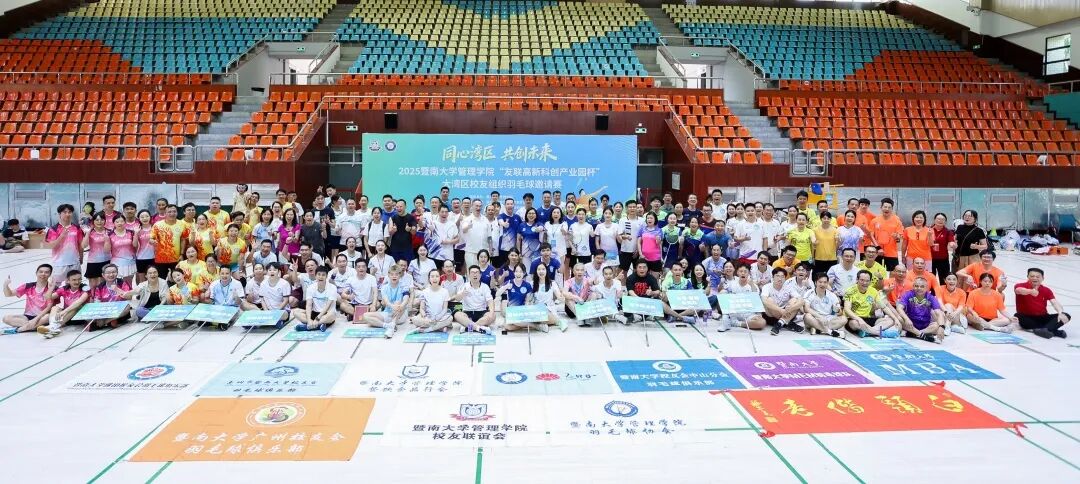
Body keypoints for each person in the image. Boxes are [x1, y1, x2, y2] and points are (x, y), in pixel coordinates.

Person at [1013, 268, 1070, 339]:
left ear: (1042, 278)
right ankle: (1053, 330)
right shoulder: (1020, 285)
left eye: (1037, 276)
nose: (1035, 278)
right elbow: (1019, 290)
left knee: (1066, 316)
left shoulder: (1046, 290)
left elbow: (1054, 302)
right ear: (1027, 277)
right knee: (1018, 316)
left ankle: (1044, 330)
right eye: (1032, 276)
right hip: (1026, 317)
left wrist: (1060, 312)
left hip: (1043, 317)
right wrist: (1030, 291)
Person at [844, 270, 900, 338]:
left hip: (868, 318)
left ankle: (867, 332)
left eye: (867, 281)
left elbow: (884, 307)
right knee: (854, 323)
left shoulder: (873, 291)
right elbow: (847, 309)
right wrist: (859, 319)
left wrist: (895, 319)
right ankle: (880, 333)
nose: (864, 283)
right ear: (857, 280)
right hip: (854, 319)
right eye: (862, 280)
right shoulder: (850, 291)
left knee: (891, 320)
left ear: (870, 281)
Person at [2, 264, 54, 334]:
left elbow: (49, 307)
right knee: (6, 318)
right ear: (36, 273)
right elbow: (9, 294)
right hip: (27, 317)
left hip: (42, 317)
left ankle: (19, 329)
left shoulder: (51, 288)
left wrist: (36, 319)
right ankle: (33, 327)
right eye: (41, 272)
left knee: (48, 317)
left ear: (50, 275)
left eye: (46, 272)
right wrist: (5, 285)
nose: (43, 274)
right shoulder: (28, 286)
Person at [363, 265, 412, 337]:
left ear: (399, 275)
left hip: (400, 314)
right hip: (388, 313)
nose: (394, 276)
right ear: (388, 275)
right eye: (392, 274)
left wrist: (400, 306)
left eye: (396, 274)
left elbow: (406, 299)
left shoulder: (404, 286)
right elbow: (387, 302)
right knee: (365, 316)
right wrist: (392, 307)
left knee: (398, 303)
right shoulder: (384, 287)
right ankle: (388, 326)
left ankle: (393, 324)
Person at [38, 270, 90, 338]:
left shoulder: (85, 288)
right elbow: (48, 298)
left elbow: (80, 301)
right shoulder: (64, 289)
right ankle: (53, 327)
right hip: (67, 318)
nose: (77, 282)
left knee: (77, 306)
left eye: (79, 279)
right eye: (74, 280)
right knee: (55, 308)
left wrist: (63, 312)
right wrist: (51, 288)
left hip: (79, 318)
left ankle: (53, 327)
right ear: (68, 281)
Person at [895, 276, 946, 343]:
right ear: (913, 286)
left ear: (926, 288)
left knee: (936, 325)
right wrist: (907, 319)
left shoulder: (931, 297)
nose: (919, 288)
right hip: (910, 324)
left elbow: (939, 313)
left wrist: (941, 327)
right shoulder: (908, 294)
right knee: (899, 318)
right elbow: (899, 308)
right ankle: (922, 335)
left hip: (925, 325)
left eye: (922, 286)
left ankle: (913, 334)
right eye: (916, 286)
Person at [719, 264, 767, 332]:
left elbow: (756, 301)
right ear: (737, 273)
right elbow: (722, 295)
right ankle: (726, 319)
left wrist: (752, 285)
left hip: (749, 314)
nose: (743, 273)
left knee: (762, 323)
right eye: (741, 271)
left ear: (749, 273)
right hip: (735, 313)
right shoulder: (732, 284)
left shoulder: (753, 285)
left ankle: (737, 324)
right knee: (722, 292)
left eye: (745, 271)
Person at [291, 266, 338, 332]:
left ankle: (308, 326)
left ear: (326, 276)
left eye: (323, 275)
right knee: (296, 312)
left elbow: (328, 306)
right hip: (314, 313)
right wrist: (309, 319)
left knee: (332, 315)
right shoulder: (310, 288)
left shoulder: (332, 288)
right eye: (319, 274)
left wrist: (318, 318)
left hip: (326, 313)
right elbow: (309, 305)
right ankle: (318, 325)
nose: (321, 277)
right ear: (315, 276)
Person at [452, 265, 497, 334]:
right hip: (467, 312)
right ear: (469, 275)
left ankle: (468, 327)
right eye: (472, 272)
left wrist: (491, 312)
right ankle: (478, 327)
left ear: (480, 275)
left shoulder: (485, 287)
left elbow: (490, 301)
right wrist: (462, 294)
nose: (475, 275)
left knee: (493, 315)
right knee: (457, 315)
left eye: (477, 272)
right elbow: (457, 299)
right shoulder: (464, 286)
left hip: (482, 312)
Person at [761, 267, 804, 335]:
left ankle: (780, 323)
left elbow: (801, 301)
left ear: (785, 278)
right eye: (777, 276)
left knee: (795, 300)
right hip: (771, 315)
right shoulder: (767, 287)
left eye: (782, 276)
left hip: (786, 312)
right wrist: (781, 310)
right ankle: (788, 323)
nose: (780, 279)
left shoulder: (789, 287)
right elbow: (764, 301)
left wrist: (791, 309)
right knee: (769, 300)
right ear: (773, 277)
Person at [149, 204, 189, 277]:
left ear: (177, 212)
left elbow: (183, 240)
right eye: (169, 212)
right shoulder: (157, 225)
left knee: (176, 280)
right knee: (162, 280)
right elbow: (151, 238)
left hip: (176, 259)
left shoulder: (182, 224)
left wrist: (182, 254)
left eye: (174, 211)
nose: (172, 214)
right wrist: (152, 241)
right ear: (165, 213)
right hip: (160, 259)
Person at [802, 272, 846, 338]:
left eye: (825, 282)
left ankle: (818, 330)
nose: (822, 284)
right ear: (815, 282)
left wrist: (837, 310)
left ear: (827, 283)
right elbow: (806, 309)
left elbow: (840, 313)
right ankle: (829, 331)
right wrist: (820, 317)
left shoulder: (832, 295)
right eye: (820, 282)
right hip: (815, 317)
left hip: (828, 319)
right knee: (807, 316)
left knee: (844, 319)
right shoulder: (809, 293)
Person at [89, 264, 132, 329]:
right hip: (106, 310)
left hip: (119, 310)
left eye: (114, 272)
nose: (111, 275)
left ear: (117, 273)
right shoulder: (100, 287)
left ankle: (106, 322)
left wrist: (117, 289)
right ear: (103, 275)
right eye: (108, 273)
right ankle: (110, 321)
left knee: (127, 306)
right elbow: (97, 302)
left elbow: (129, 297)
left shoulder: (122, 283)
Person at [411, 269, 453, 334]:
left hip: (441, 317)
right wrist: (425, 317)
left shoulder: (445, 291)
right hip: (428, 318)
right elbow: (422, 308)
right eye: (432, 276)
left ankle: (427, 329)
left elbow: (445, 309)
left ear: (440, 278)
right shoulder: (424, 292)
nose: (434, 278)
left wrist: (437, 318)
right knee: (414, 319)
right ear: (429, 279)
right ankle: (439, 327)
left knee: (450, 318)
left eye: (437, 276)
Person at [204, 266, 244, 330]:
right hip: (218, 309)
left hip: (232, 309)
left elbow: (240, 303)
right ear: (219, 274)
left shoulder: (237, 284)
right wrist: (206, 298)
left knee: (232, 315)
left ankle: (217, 322)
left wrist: (236, 297)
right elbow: (211, 302)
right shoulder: (214, 284)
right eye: (222, 273)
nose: (224, 276)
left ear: (231, 273)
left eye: (227, 273)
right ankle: (218, 322)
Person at [869, 198, 903, 271]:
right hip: (877, 252)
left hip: (892, 253)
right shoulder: (874, 220)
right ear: (881, 207)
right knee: (876, 272)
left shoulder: (897, 221)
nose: (887, 209)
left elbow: (899, 238)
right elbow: (871, 236)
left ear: (892, 209)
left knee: (893, 273)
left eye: (889, 207)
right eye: (885, 207)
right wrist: (878, 248)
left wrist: (897, 237)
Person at [83, 213, 112, 288]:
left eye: (102, 220)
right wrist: (87, 233)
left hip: (106, 260)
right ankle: (93, 295)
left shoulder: (109, 232)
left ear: (105, 221)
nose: (99, 222)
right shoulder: (90, 232)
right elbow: (84, 245)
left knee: (104, 283)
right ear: (93, 221)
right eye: (97, 220)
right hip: (93, 261)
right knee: (93, 284)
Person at [930, 213, 956, 285]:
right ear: (934, 220)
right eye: (938, 219)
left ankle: (943, 291)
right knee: (931, 279)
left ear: (945, 222)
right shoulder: (929, 230)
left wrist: (952, 244)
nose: (940, 221)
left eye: (943, 219)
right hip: (930, 259)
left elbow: (951, 241)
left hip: (943, 259)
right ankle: (931, 292)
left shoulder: (948, 231)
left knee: (943, 279)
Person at [636, 212, 664, 277]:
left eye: (651, 218)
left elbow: (659, 244)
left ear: (655, 220)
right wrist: (640, 254)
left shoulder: (659, 230)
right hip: (644, 258)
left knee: (655, 278)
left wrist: (658, 240)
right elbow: (639, 242)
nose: (649, 219)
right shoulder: (642, 229)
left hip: (656, 258)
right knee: (644, 278)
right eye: (648, 218)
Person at [134, 210, 155, 284]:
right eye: (142, 217)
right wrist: (136, 233)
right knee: (142, 281)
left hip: (154, 258)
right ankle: (142, 292)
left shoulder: (155, 228)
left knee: (153, 280)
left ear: (150, 217)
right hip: (141, 258)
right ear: (139, 218)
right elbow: (134, 245)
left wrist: (155, 242)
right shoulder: (137, 229)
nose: (145, 218)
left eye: (146, 216)